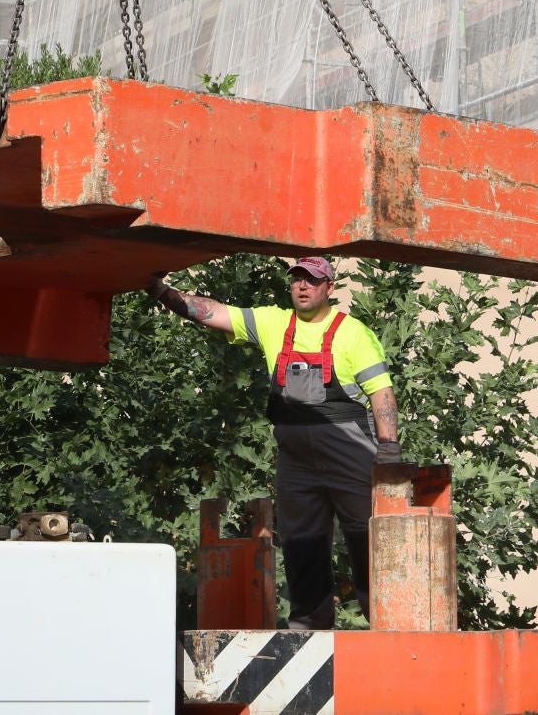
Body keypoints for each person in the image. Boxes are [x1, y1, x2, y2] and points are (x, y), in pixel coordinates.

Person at [147, 255, 401, 629]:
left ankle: (387, 624)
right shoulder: (273, 322)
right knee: (302, 544)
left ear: (329, 288)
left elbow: (382, 393)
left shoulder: (353, 333)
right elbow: (212, 312)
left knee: (368, 542)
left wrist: (389, 449)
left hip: (351, 458)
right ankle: (310, 626)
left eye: (312, 280)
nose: (302, 286)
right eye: (297, 279)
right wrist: (161, 291)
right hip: (297, 463)